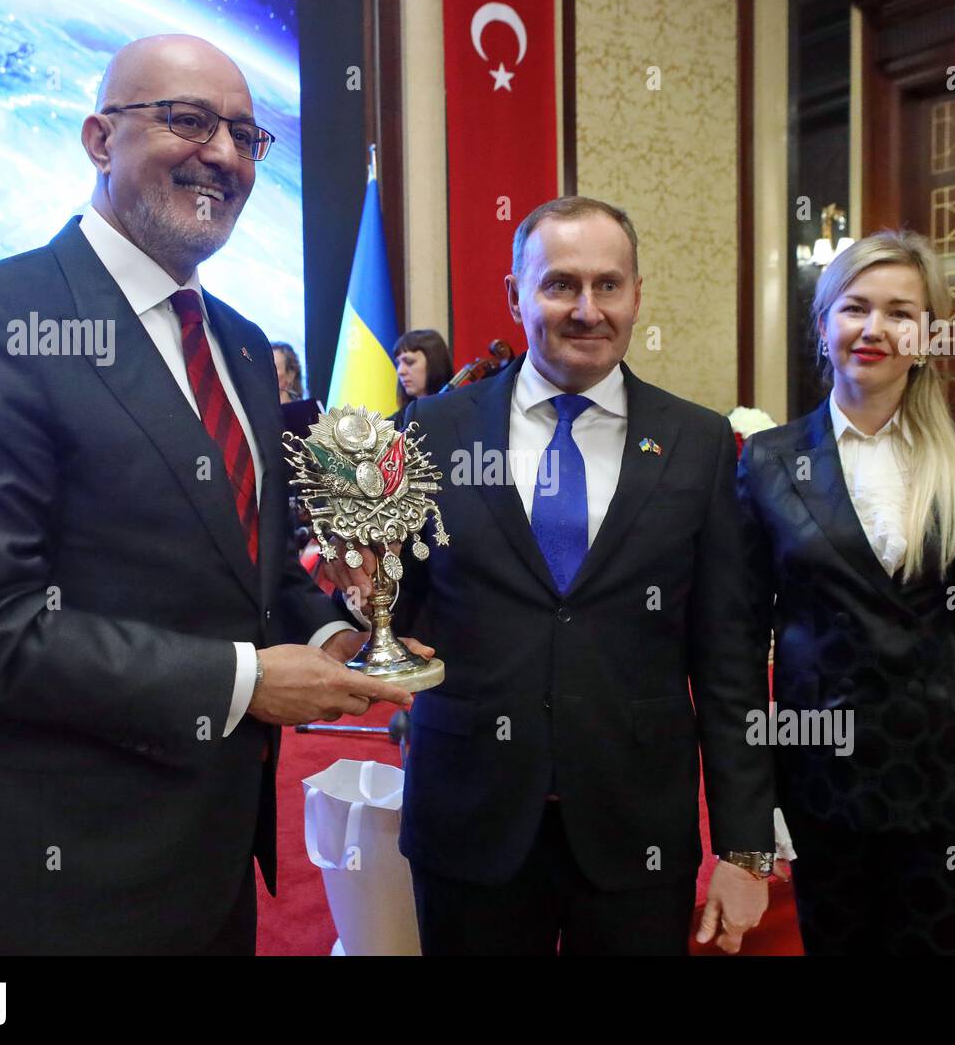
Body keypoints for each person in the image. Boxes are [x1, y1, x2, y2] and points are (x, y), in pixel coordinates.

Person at [0, 34, 419, 956]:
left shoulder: (243, 346)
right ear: (98, 139)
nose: (222, 153)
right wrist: (249, 680)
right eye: (187, 120)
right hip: (59, 873)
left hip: (210, 857)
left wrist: (340, 639)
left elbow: (253, 562)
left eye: (247, 136)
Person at [326, 196, 776, 955]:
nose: (587, 309)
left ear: (639, 295)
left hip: (638, 833)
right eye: (560, 284)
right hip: (470, 821)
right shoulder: (434, 429)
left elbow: (728, 662)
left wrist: (744, 849)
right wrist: (358, 599)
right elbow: (396, 604)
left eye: (609, 285)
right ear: (515, 295)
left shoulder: (698, 444)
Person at [736, 230, 955, 955]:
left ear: (928, 335)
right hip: (824, 779)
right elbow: (739, 638)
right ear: (823, 325)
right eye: (855, 308)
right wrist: (754, 799)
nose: (875, 329)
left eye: (900, 312)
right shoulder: (771, 461)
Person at [395, 328, 452, 408]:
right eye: (398, 363)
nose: (400, 371)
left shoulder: (462, 412)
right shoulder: (397, 419)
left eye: (409, 362)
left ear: (434, 362)